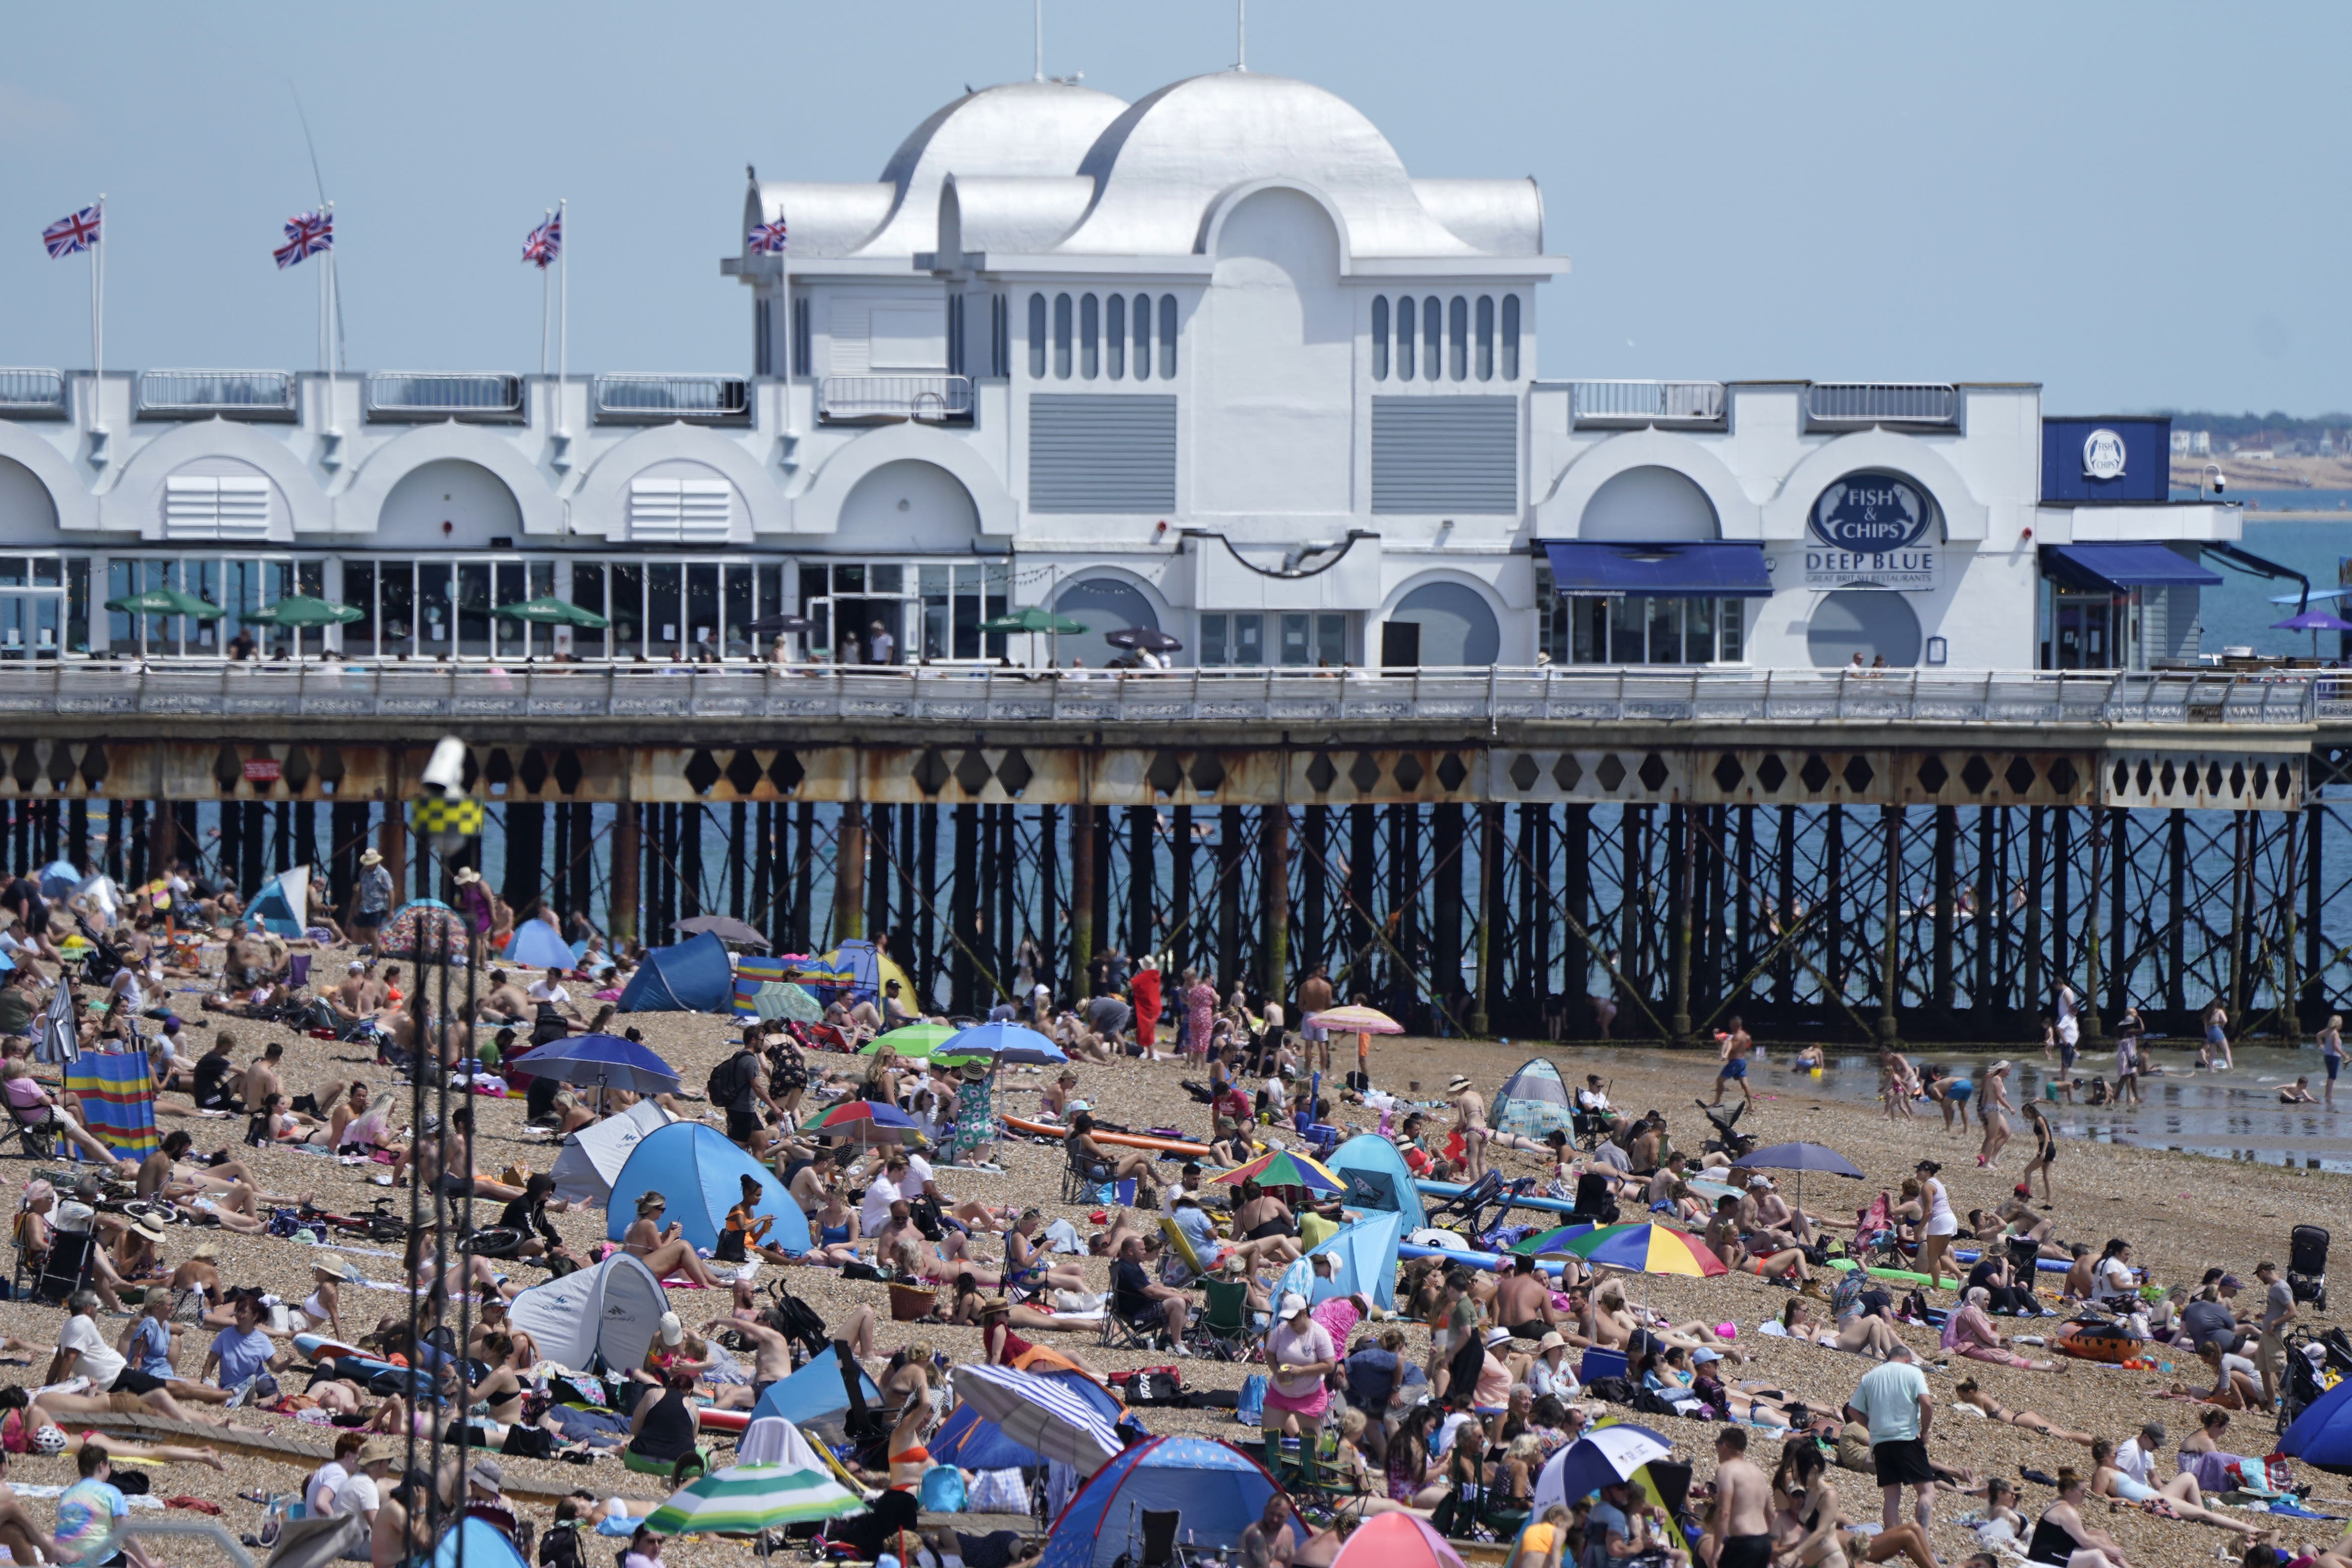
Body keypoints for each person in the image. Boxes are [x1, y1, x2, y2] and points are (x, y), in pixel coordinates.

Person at [1845, 1345, 1935, 1536]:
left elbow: (1853, 1410)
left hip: (1881, 1443)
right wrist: (1925, 1431)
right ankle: (1924, 1541)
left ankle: (1892, 1544)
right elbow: (1926, 1403)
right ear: (1906, 1360)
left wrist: (1870, 1426)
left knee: (1891, 1498)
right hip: (1906, 1439)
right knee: (1927, 1491)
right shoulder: (1912, 1372)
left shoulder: (1870, 1377)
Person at [1262, 1293, 1337, 1483]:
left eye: (1293, 1318)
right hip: (1280, 1391)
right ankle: (1273, 1478)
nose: (1290, 1322)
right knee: (1269, 1437)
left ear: (1304, 1313)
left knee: (1310, 1443)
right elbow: (1269, 1354)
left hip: (1309, 1393)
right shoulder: (1282, 1330)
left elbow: (1330, 1365)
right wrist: (1276, 1371)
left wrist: (1302, 1370)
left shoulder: (1319, 1334)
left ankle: (1312, 1481)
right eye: (1287, 1318)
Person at [53, 1443, 155, 1568]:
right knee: (136, 1564)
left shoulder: (67, 1494)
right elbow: (127, 1535)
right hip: (100, 1560)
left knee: (126, 1555)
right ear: (102, 1465)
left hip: (68, 1562)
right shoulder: (111, 1492)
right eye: (110, 1466)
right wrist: (149, 1563)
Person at [2025, 1468, 2135, 1568]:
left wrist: (2112, 1552)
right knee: (2097, 1555)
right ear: (2069, 1492)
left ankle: (2125, 1565)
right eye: (2082, 1491)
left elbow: (2084, 1536)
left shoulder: (2060, 1502)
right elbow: (2085, 1542)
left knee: (2100, 1534)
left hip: (2060, 1547)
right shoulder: (2067, 1511)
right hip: (2045, 1556)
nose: (2086, 1495)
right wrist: (2110, 1550)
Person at [1110, 1234, 1191, 1355]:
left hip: (1133, 1310)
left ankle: (1165, 1339)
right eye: (1142, 1249)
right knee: (1178, 1303)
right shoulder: (1130, 1269)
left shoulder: (1126, 1265)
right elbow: (1150, 1292)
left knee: (1179, 1299)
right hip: (1138, 1316)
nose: (1145, 1252)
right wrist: (1179, 1296)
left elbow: (1149, 1283)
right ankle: (1178, 1344)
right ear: (1131, 1251)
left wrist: (1171, 1292)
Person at [1704, 1427, 1773, 1568]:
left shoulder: (1726, 1470)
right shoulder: (1758, 1472)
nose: (1716, 1449)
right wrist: (1773, 1544)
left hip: (1743, 1542)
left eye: (1717, 1444)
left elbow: (1724, 1512)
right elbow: (1770, 1514)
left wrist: (1717, 1550)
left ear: (1724, 1446)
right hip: (1764, 1542)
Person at [1589, 1478, 1690, 1568]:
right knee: (1682, 1555)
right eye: (1643, 1502)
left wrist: (1658, 1524)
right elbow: (1638, 1542)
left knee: (1682, 1555)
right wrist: (1657, 1546)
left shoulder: (1639, 1515)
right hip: (1644, 1553)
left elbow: (1651, 1535)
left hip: (1650, 1548)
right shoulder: (1632, 1518)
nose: (1645, 1504)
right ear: (1635, 1503)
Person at [2254, 1259, 2296, 1407]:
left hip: (2276, 1334)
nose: (2260, 1279)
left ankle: (2291, 1405)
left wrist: (2273, 1323)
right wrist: (2266, 1318)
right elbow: (2278, 1312)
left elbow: (2293, 1313)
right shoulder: (2274, 1288)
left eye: (2259, 1275)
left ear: (2264, 1272)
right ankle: (2271, 1407)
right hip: (2267, 1334)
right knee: (2264, 1371)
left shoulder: (2281, 1288)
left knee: (2280, 1370)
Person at [1911, 1161, 1959, 1291]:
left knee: (1932, 1256)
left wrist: (1919, 1230)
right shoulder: (1936, 1183)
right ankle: (1961, 1276)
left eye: (1919, 1170)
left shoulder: (1927, 1186)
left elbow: (1928, 1211)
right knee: (1940, 1254)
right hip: (1949, 1219)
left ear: (1927, 1172)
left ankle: (1936, 1289)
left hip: (1940, 1220)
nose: (1917, 1173)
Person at [1713, 1017, 1754, 1108]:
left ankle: (1717, 1101)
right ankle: (1751, 1106)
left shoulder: (1737, 1036)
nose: (1730, 1026)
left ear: (1736, 1025)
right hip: (1742, 1061)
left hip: (1735, 1062)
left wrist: (1724, 1043)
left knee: (1720, 1080)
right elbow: (1748, 1044)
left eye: (1731, 1024)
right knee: (1744, 1083)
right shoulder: (1745, 1034)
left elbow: (1733, 1048)